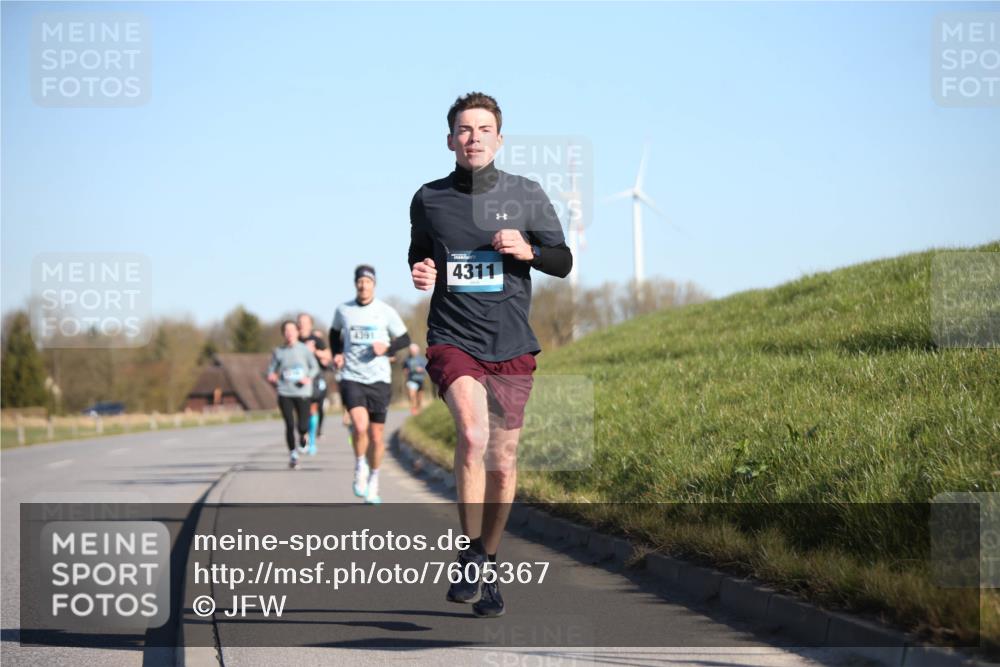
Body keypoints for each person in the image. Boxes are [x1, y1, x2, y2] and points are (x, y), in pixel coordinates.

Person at [409, 92, 572, 617]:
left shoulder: (526, 194)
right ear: (450, 139)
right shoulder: (429, 198)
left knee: (503, 460)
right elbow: (419, 250)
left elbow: (563, 261)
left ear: (499, 139)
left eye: (483, 129)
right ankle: (469, 551)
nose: (473, 137)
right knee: (474, 434)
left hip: (511, 344)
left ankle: (489, 560)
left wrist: (528, 251)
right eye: (464, 129)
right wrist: (421, 270)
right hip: (453, 338)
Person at [330, 265, 411, 504]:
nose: (363, 285)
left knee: (376, 437)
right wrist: (337, 353)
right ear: (355, 284)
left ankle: (374, 478)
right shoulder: (344, 310)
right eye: (360, 281)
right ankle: (359, 466)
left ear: (374, 284)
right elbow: (334, 334)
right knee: (359, 425)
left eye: (368, 281)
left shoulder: (385, 311)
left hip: (379, 379)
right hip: (352, 376)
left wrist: (387, 348)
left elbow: (405, 338)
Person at [266, 320, 319, 469]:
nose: (289, 333)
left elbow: (314, 367)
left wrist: (308, 377)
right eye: (286, 331)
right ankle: (293, 454)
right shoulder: (279, 352)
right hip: (285, 391)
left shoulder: (304, 350)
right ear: (283, 334)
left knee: (302, 425)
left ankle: (303, 435)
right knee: (289, 424)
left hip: (302, 391)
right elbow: (271, 369)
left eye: (292, 330)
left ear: (297, 332)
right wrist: (271, 376)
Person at [297, 312, 331, 455]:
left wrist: (315, 351)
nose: (302, 325)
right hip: (297, 380)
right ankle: (303, 435)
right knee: (300, 411)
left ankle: (311, 440)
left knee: (312, 409)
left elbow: (328, 356)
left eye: (305, 323)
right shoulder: (294, 339)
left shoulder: (316, 339)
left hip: (314, 379)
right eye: (300, 322)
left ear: (310, 324)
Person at [404, 343, 428, 415]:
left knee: (419, 398)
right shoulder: (407, 359)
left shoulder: (422, 359)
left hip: (420, 380)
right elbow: (405, 368)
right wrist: (406, 372)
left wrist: (421, 370)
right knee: (411, 395)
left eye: (414, 351)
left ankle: (419, 410)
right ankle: (413, 409)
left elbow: (427, 370)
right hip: (411, 380)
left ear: (417, 351)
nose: (412, 352)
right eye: (411, 351)